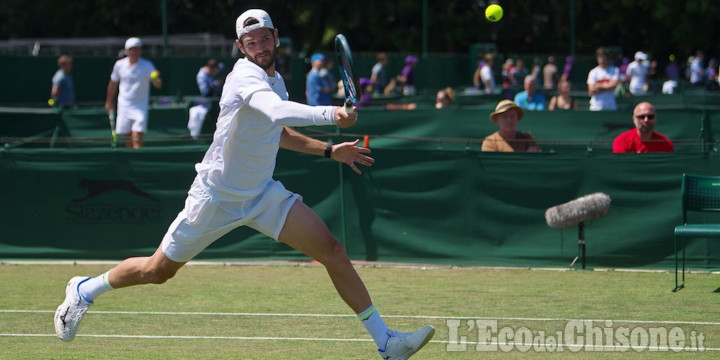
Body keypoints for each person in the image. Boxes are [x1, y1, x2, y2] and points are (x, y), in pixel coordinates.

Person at [54, 9, 434, 360]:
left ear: (275, 37)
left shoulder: (276, 78)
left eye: (264, 38)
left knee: (332, 250)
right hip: (214, 197)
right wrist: (333, 113)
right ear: (240, 47)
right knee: (157, 271)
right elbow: (275, 111)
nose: (259, 47)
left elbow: (277, 130)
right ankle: (85, 290)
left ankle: (387, 343)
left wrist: (329, 150)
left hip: (263, 195)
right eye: (251, 42)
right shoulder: (243, 77)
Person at [105, 37, 162, 148]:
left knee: (136, 137)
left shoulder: (147, 65)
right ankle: (132, 162)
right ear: (127, 51)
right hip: (124, 106)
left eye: (138, 49)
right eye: (133, 49)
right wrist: (109, 102)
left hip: (140, 106)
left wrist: (156, 78)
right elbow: (113, 83)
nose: (136, 52)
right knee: (128, 139)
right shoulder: (119, 65)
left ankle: (139, 162)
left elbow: (158, 85)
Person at [188, 59, 225, 139]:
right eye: (215, 70)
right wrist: (215, 84)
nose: (217, 72)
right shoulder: (202, 76)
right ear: (211, 68)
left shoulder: (215, 70)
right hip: (204, 103)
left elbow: (222, 66)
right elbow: (206, 93)